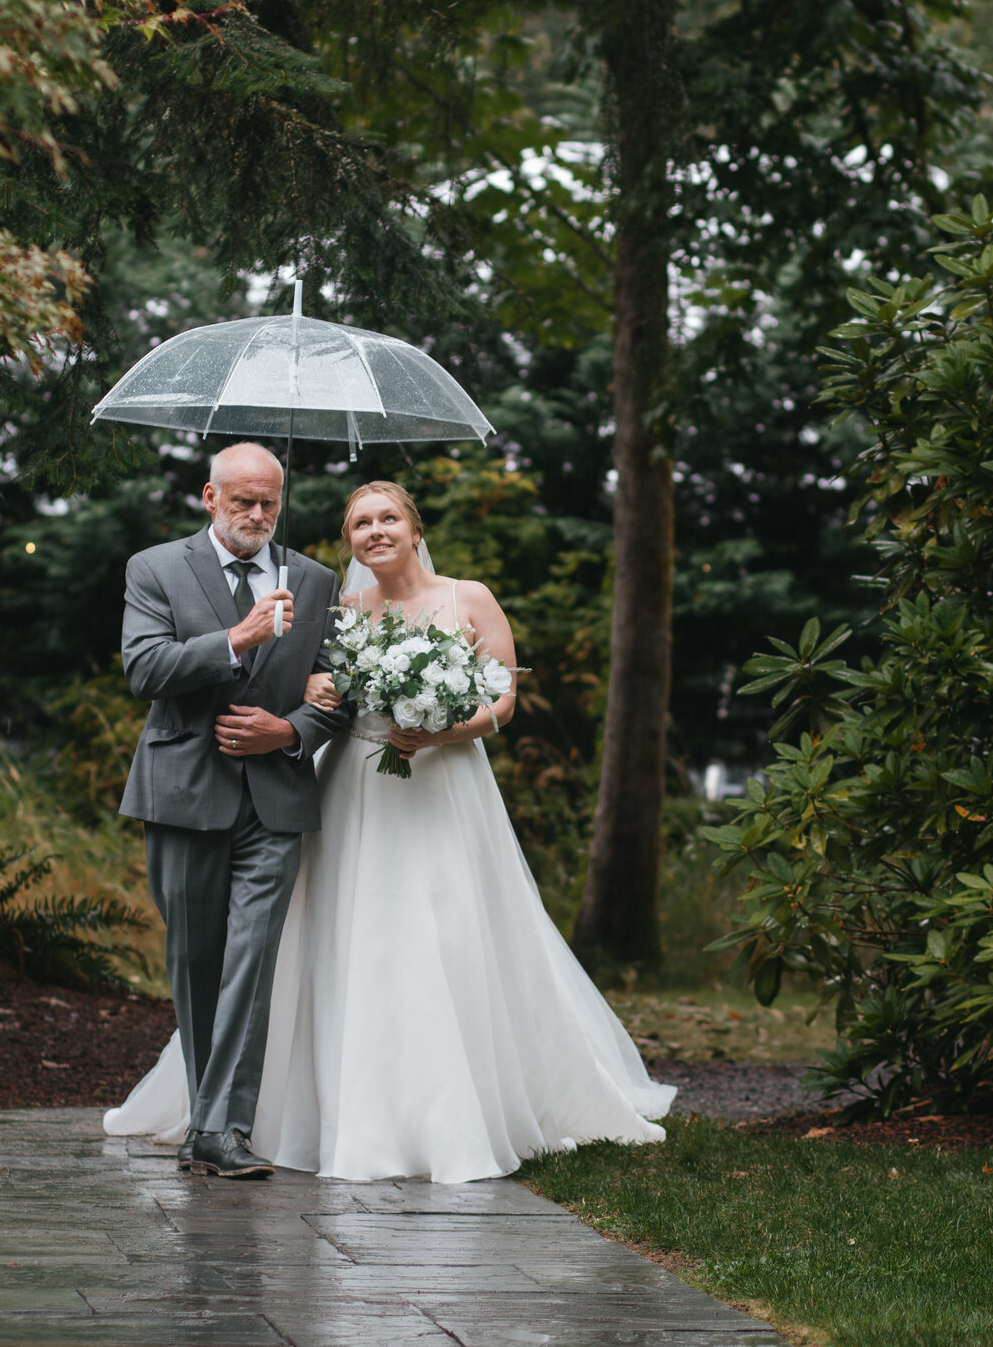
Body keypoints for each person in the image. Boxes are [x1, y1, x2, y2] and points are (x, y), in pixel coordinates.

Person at [107, 479, 676, 1183]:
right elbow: (320, 687)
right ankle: (300, 1106)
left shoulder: (468, 597)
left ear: (413, 526)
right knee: (345, 932)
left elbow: (505, 696)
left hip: (441, 782)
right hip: (353, 783)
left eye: (387, 519)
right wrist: (311, 698)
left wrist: (445, 730)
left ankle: (448, 1106)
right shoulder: (340, 606)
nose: (374, 532)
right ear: (347, 539)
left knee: (441, 931)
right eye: (358, 523)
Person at [114, 441, 346, 1179]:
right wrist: (236, 639)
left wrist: (291, 732)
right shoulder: (154, 568)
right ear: (209, 498)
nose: (256, 515)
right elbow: (144, 667)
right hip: (183, 794)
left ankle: (222, 1130)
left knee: (252, 960)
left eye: (268, 502)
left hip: (274, 799)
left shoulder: (313, 579)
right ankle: (203, 1123)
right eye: (242, 500)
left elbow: (340, 686)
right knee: (196, 964)